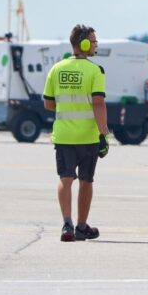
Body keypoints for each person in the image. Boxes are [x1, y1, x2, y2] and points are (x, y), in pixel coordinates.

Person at [43, 24, 110, 242]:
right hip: (88, 137)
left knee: (65, 178)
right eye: (93, 41)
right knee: (86, 181)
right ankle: (81, 226)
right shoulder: (95, 71)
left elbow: (48, 104)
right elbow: (98, 105)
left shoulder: (56, 69)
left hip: (63, 136)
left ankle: (66, 224)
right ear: (82, 44)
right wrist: (104, 135)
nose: (95, 45)